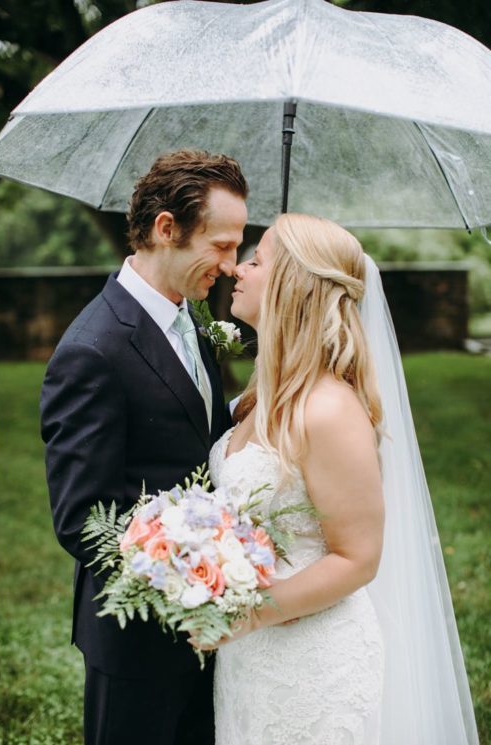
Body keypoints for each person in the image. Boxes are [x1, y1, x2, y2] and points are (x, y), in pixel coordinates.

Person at [203, 213, 478, 744]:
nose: (238, 269)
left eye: (257, 261)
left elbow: (357, 558)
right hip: (250, 661)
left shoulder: (328, 409)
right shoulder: (259, 398)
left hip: (311, 662)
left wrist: (244, 614)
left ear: (293, 285)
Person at [40, 149, 248, 745]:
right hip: (138, 643)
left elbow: (189, 434)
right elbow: (82, 518)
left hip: (212, 629)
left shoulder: (192, 318)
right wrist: (196, 566)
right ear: (165, 229)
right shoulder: (93, 350)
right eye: (223, 245)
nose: (233, 266)